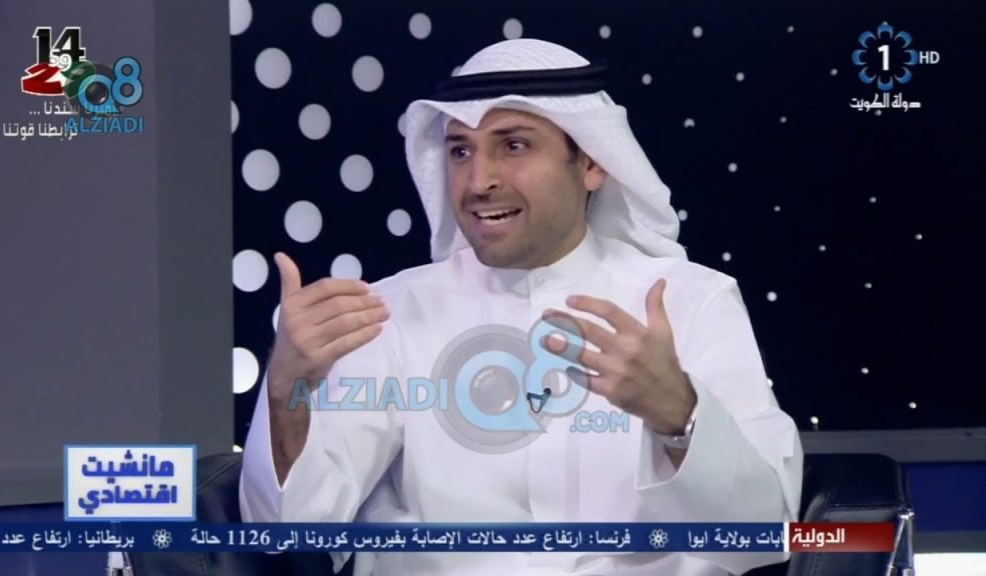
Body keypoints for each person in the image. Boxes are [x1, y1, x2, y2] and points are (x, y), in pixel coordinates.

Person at [240, 38, 803, 576]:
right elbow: (289, 533)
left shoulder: (691, 302)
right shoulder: (390, 313)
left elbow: (763, 537)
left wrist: (678, 414)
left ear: (592, 162)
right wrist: (287, 386)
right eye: (460, 151)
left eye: (513, 145)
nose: (479, 181)